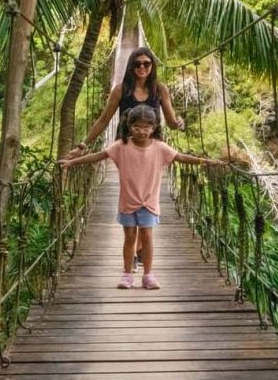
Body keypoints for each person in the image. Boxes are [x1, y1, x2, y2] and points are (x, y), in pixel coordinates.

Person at [59, 105, 221, 290]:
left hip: (149, 201)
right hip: (128, 201)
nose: (142, 132)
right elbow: (98, 156)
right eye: (137, 128)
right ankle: (127, 274)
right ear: (129, 127)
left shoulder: (160, 148)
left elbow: (181, 158)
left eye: (146, 128)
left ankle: (148, 275)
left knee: (147, 237)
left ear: (153, 128)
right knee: (129, 237)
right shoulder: (121, 146)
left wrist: (205, 162)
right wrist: (72, 162)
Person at [65, 47, 184, 160]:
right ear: (131, 67)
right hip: (127, 145)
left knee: (149, 180)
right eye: (137, 64)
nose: (142, 66)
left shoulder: (160, 89)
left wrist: (178, 122)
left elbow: (171, 124)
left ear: (152, 65)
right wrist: (83, 145)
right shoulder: (120, 90)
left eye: (146, 63)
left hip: (153, 145)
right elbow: (104, 120)